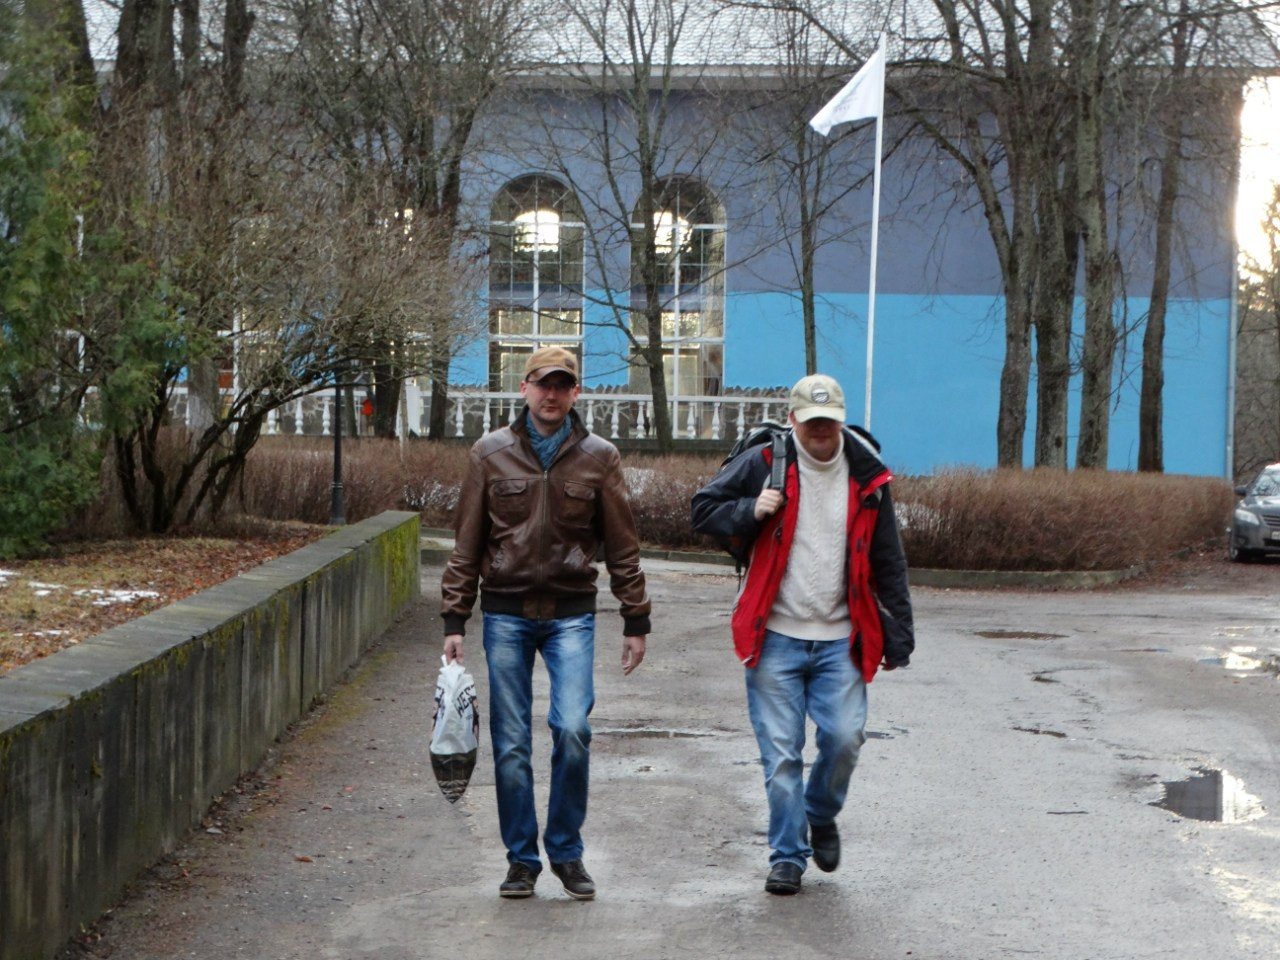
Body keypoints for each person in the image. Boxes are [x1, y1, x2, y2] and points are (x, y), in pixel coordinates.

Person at [441, 345, 651, 902]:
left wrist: (636, 617)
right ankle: (521, 861)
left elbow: (622, 545)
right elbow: (466, 542)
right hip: (506, 613)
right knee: (511, 743)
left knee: (572, 728)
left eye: (562, 384)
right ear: (524, 388)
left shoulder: (599, 457)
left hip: (571, 615)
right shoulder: (490, 454)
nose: (552, 394)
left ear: (576, 392)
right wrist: (454, 617)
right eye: (542, 383)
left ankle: (566, 850)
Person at [690, 373, 914, 895]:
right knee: (782, 756)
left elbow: (889, 561)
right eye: (811, 422)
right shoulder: (767, 462)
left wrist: (898, 634)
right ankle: (786, 857)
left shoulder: (868, 475)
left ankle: (820, 812)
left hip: (841, 636)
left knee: (843, 738)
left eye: (829, 422)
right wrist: (751, 508)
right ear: (792, 420)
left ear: (840, 420)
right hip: (775, 636)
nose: (820, 432)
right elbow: (702, 510)